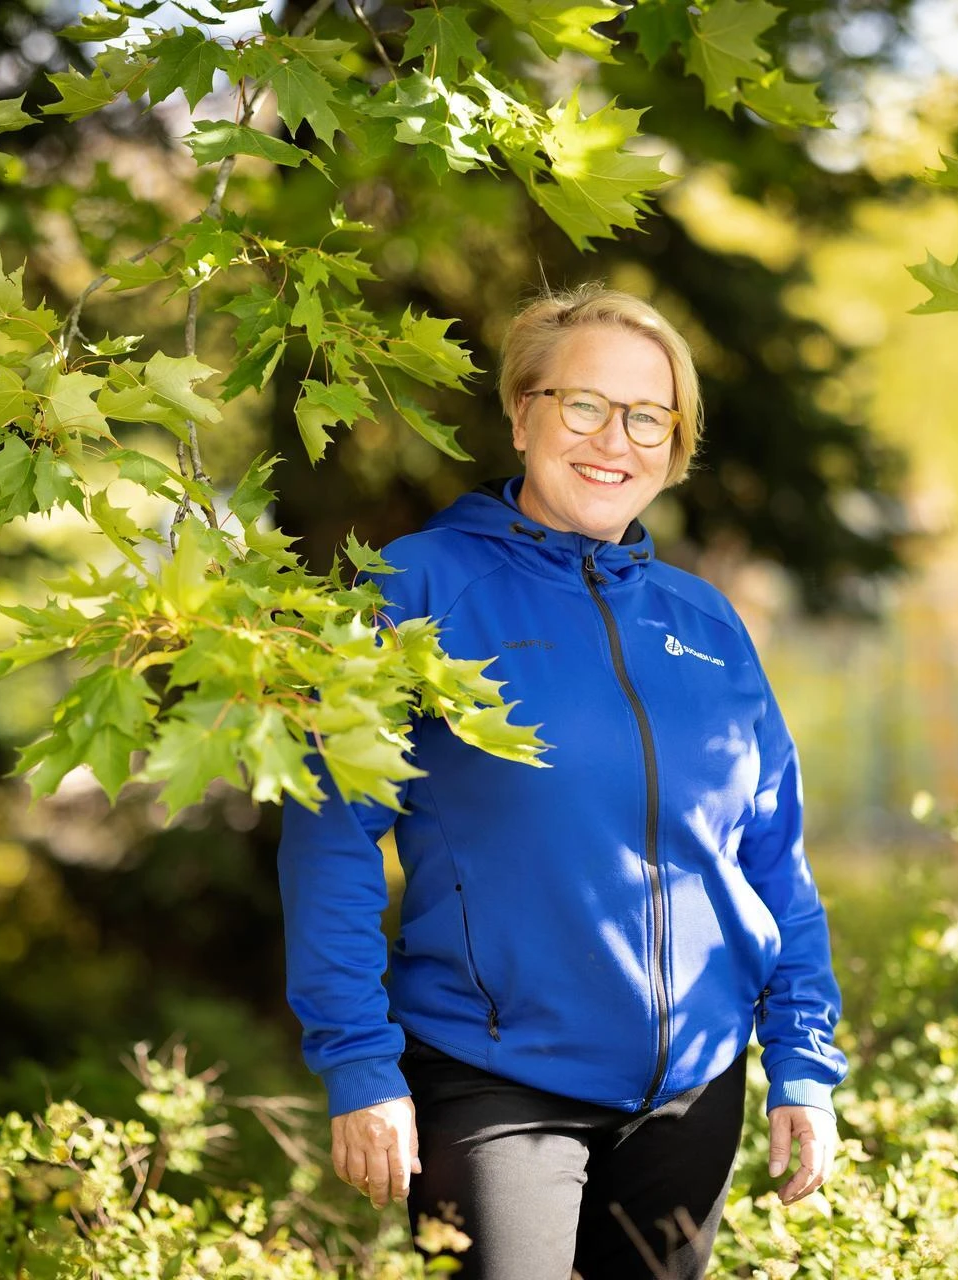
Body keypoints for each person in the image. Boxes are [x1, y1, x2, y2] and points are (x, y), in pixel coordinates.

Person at [276, 282, 848, 1279]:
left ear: (675, 443)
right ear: (521, 413)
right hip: (494, 1078)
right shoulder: (413, 588)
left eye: (647, 416)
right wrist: (359, 1060)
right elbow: (330, 837)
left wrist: (802, 1057)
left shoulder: (707, 623)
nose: (613, 440)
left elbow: (772, 861)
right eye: (583, 404)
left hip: (693, 1091)